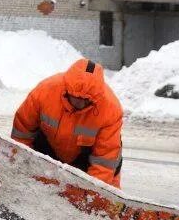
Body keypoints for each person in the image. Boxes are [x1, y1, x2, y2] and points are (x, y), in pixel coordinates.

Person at [10, 58, 124, 188]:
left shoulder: (110, 109)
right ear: (66, 89)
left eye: (86, 100)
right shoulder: (45, 91)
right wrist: (20, 167)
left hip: (85, 160)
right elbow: (22, 134)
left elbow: (104, 162)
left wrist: (92, 193)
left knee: (103, 199)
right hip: (49, 149)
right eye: (76, 97)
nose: (80, 103)